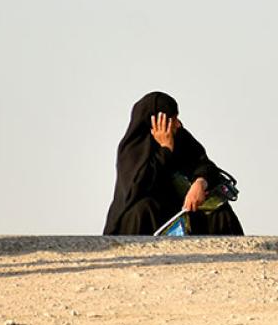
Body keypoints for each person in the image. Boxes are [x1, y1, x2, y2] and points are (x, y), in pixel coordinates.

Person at [103, 91, 244, 236]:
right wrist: (166, 150)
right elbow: (137, 188)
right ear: (156, 122)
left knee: (219, 212)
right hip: (147, 215)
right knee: (143, 209)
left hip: (178, 209)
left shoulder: (181, 137)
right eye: (172, 119)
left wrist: (200, 182)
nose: (177, 124)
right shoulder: (132, 149)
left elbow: (205, 165)